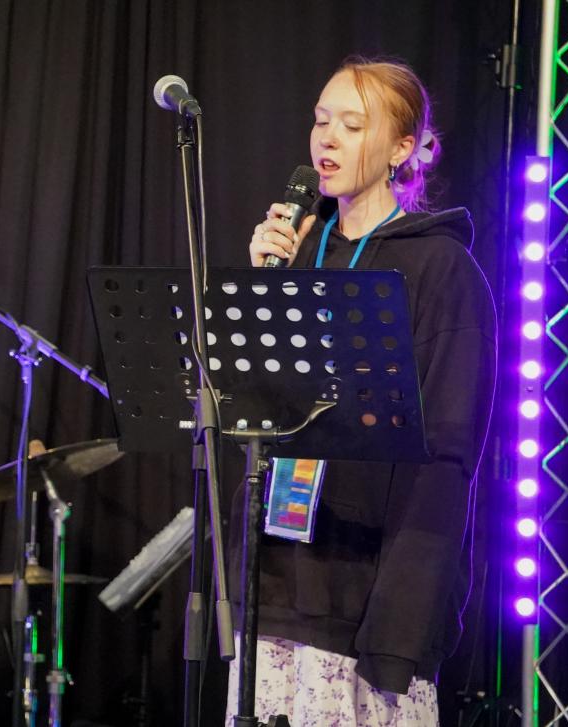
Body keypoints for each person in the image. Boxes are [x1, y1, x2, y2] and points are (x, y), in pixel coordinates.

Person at [226, 58, 496, 726]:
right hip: (278, 576)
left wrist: (402, 620)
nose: (328, 138)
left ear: (403, 148)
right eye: (321, 120)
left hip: (365, 590)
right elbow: (248, 416)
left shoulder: (441, 267)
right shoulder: (298, 248)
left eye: (352, 125)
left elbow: (446, 457)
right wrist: (263, 289)